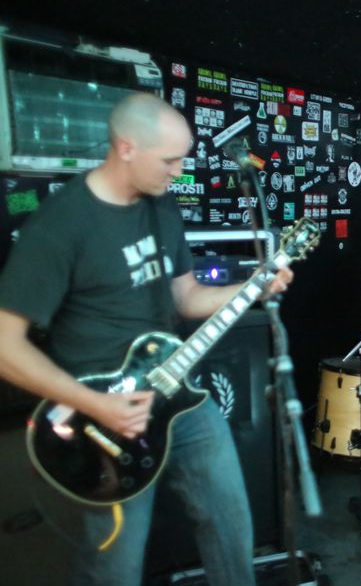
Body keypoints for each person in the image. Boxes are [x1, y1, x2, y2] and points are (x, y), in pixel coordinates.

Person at [0, 93, 293, 586]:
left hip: (178, 395)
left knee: (230, 524)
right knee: (114, 565)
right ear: (127, 148)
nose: (179, 171)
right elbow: (5, 346)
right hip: (102, 419)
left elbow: (186, 297)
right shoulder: (61, 224)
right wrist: (96, 404)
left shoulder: (162, 206)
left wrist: (254, 288)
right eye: (170, 160)